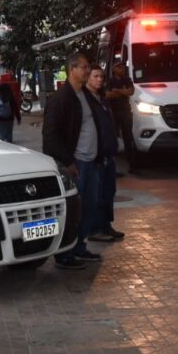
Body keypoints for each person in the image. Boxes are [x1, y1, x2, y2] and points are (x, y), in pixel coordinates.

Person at [42, 52, 102, 269]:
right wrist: (68, 162)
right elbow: (50, 137)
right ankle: (65, 253)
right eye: (84, 67)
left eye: (88, 67)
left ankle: (80, 246)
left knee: (88, 208)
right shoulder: (61, 99)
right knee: (73, 210)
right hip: (75, 164)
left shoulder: (85, 95)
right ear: (72, 69)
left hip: (91, 162)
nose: (87, 71)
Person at [86, 65, 125, 242]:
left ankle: (105, 225)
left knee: (109, 191)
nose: (99, 80)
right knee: (97, 192)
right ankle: (95, 229)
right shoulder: (86, 100)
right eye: (95, 76)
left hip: (108, 152)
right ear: (87, 78)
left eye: (101, 77)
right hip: (96, 154)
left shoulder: (101, 98)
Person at [105, 62, 137, 174]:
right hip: (113, 113)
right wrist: (123, 93)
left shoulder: (127, 80)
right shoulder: (110, 81)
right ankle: (114, 167)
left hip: (125, 113)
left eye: (123, 67)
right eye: (119, 67)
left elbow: (131, 91)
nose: (122, 69)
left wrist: (118, 91)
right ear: (114, 69)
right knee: (113, 139)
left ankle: (132, 166)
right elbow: (107, 94)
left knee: (129, 139)